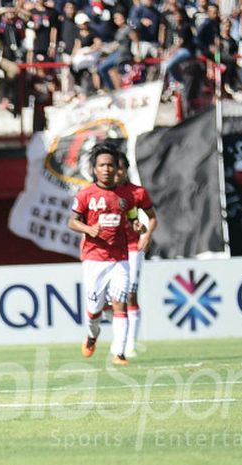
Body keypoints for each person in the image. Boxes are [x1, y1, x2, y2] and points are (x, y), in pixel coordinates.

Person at [68, 143, 139, 366]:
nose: (107, 169)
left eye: (110, 165)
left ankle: (119, 353)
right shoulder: (86, 194)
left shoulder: (126, 194)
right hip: (94, 259)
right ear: (94, 169)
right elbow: (72, 221)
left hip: (120, 259)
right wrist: (88, 229)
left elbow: (132, 214)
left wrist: (136, 224)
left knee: (121, 302)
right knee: (94, 311)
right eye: (102, 165)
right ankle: (92, 335)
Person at [115, 153, 157, 358]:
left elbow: (152, 218)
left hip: (132, 248)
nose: (117, 172)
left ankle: (129, 344)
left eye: (121, 167)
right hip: (109, 251)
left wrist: (146, 236)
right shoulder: (103, 193)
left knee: (130, 294)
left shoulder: (137, 192)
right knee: (112, 296)